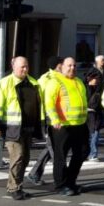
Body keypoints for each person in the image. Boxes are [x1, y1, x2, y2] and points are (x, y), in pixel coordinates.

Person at [0, 57, 42, 200]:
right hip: (12, 128)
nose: (25, 69)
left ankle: (17, 185)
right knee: (17, 157)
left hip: (28, 128)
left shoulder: (33, 82)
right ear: (14, 67)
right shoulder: (5, 83)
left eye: (26, 67)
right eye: (22, 67)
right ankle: (14, 188)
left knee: (25, 159)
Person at [44, 56, 89, 195]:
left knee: (82, 152)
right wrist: (55, 119)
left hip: (79, 125)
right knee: (61, 156)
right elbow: (49, 103)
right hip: (62, 126)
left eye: (74, 65)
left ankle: (70, 182)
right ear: (61, 66)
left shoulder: (79, 81)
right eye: (69, 65)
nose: (72, 68)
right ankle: (60, 185)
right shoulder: (55, 81)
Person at [27, 56, 63, 184]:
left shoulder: (59, 77)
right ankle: (63, 178)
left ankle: (34, 174)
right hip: (49, 118)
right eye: (62, 65)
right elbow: (43, 101)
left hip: (58, 118)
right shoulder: (46, 79)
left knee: (51, 147)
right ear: (58, 66)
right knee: (55, 149)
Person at [85, 67, 104, 161]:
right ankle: (89, 154)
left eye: (97, 79)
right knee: (88, 136)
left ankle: (93, 154)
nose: (96, 80)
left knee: (95, 135)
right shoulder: (85, 88)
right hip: (87, 116)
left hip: (96, 116)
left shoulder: (99, 89)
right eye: (94, 78)